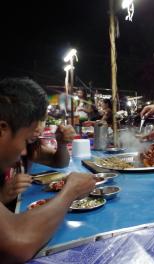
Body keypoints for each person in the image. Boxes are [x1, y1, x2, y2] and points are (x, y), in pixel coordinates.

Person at [0, 78, 96, 262]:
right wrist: (71, 191)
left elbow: (58, 162)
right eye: (24, 140)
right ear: (3, 129)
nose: (23, 152)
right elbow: (15, 244)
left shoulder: (28, 147)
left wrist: (62, 144)